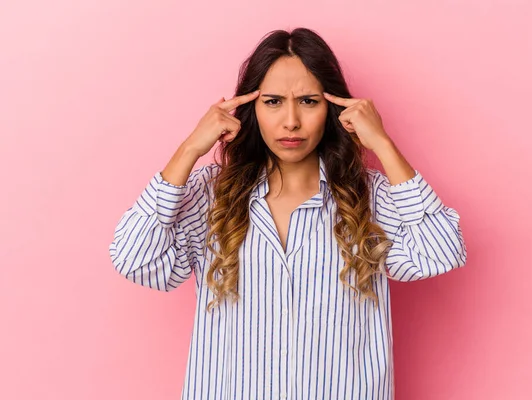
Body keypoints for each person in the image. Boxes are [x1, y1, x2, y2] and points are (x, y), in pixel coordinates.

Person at [108, 27, 467, 400]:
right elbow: (136, 260)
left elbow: (441, 253)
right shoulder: (212, 194)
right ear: (251, 109)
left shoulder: (370, 197)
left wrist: (382, 143)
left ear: (333, 108)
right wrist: (188, 151)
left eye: (309, 101)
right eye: (274, 101)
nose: (291, 121)